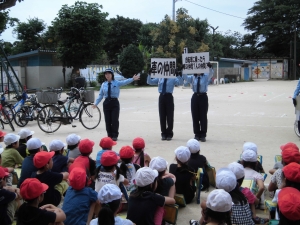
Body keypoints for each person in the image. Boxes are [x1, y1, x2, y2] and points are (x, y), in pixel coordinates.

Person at [93, 68, 140, 141]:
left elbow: (125, 82)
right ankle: (109, 135)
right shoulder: (103, 84)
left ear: (112, 75)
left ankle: (115, 135)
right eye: (106, 74)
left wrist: (132, 79)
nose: (107, 75)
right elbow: (100, 95)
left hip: (114, 102)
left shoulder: (116, 83)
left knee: (114, 120)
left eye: (109, 73)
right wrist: (96, 103)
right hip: (106, 103)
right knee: (107, 120)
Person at [147, 70, 183, 140]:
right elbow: (149, 82)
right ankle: (163, 133)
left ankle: (169, 133)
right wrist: (149, 74)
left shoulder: (173, 78)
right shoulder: (160, 77)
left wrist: (178, 75)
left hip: (169, 96)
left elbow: (180, 83)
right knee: (162, 116)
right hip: (161, 97)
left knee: (170, 116)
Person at [182, 62, 213, 142]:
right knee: (195, 116)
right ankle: (196, 134)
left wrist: (210, 67)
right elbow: (185, 77)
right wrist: (183, 69)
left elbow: (211, 74)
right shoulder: (192, 77)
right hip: (195, 96)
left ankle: (203, 134)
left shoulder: (205, 76)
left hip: (203, 97)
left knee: (203, 116)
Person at [149, 156, 175, 225]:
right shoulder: (169, 181)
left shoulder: (148, 181)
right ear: (165, 170)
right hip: (164, 205)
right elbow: (172, 200)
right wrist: (172, 177)